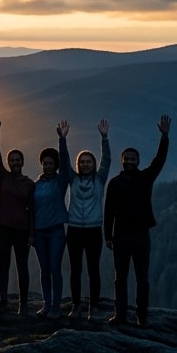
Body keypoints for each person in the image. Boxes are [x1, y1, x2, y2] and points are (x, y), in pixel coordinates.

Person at [104, 115, 171, 326]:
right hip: (121, 234)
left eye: (133, 159)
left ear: (138, 161)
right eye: (126, 158)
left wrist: (165, 137)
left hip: (141, 234)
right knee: (120, 278)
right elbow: (108, 211)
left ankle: (142, 316)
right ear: (121, 160)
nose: (129, 161)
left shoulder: (146, 177)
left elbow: (159, 160)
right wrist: (108, 236)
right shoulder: (114, 183)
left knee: (142, 278)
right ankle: (121, 315)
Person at [65, 120, 111, 321]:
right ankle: (76, 306)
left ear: (93, 164)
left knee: (93, 270)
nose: (85, 164)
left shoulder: (100, 179)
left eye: (88, 161)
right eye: (82, 162)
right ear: (78, 164)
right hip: (74, 230)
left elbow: (107, 161)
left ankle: (93, 307)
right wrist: (62, 139)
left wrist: (104, 138)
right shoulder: (72, 179)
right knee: (75, 269)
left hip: (93, 231)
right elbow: (64, 161)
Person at [31, 122, 75, 319]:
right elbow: (31, 210)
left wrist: (62, 140)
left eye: (50, 163)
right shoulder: (36, 185)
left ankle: (56, 306)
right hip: (39, 232)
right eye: (45, 163)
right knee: (44, 269)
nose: (47, 166)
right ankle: (46, 304)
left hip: (56, 231)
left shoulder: (60, 181)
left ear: (55, 166)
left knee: (55, 269)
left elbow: (65, 163)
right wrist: (31, 233)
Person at [0, 128, 35, 315]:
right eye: (12, 160)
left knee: (22, 266)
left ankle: (23, 304)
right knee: (4, 265)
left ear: (22, 162)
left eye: (18, 160)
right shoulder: (3, 176)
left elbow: (33, 210)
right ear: (8, 163)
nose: (15, 163)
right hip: (2, 228)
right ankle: (3, 301)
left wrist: (32, 233)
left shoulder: (30, 184)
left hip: (22, 230)